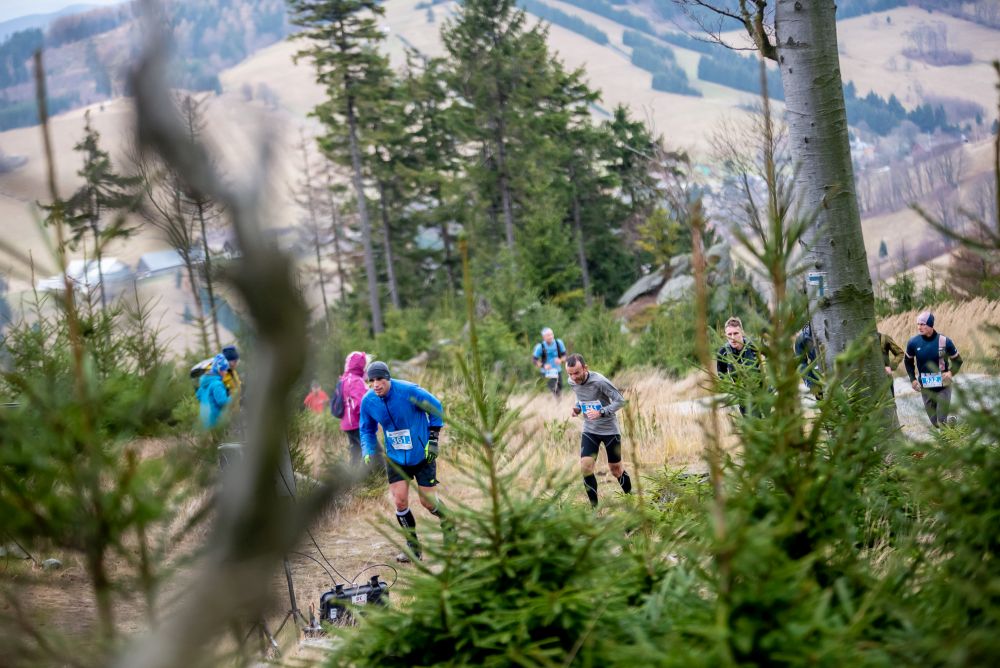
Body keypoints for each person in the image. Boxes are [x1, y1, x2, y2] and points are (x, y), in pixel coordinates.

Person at [359, 361, 450, 563]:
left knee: (428, 502)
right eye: (371, 381)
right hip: (395, 457)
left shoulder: (409, 391)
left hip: (422, 454)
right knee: (400, 501)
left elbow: (436, 407)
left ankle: (448, 523)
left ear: (388, 378)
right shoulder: (368, 401)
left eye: (379, 379)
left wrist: (433, 440)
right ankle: (413, 547)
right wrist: (368, 450)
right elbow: (366, 429)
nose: (375, 384)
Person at [566, 354, 631, 508]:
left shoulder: (600, 381)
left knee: (616, 470)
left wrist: (601, 412)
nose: (573, 377)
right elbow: (580, 397)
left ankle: (632, 500)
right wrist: (577, 408)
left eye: (577, 373)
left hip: (609, 430)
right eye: (570, 374)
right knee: (586, 467)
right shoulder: (572, 381)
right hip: (590, 430)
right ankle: (594, 509)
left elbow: (620, 401)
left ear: (585, 368)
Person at [904, 311, 963, 427]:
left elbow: (958, 361)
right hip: (926, 387)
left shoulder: (945, 341)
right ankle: (952, 424)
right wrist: (913, 379)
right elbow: (908, 361)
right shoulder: (913, 342)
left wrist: (951, 372)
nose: (919, 327)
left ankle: (949, 430)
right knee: (935, 423)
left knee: (941, 420)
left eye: (923, 324)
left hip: (943, 386)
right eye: (918, 324)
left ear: (930, 324)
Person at [716, 316, 764, 416]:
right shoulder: (723, 352)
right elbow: (722, 375)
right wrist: (733, 389)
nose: (733, 338)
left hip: (762, 390)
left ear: (742, 332)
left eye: (736, 333)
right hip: (743, 396)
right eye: (729, 334)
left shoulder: (754, 345)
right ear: (726, 335)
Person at [336, 351, 369, 467]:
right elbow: (360, 404)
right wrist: (369, 418)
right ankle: (375, 473)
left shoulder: (344, 379)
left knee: (356, 450)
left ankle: (353, 473)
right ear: (360, 365)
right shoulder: (356, 381)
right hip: (357, 422)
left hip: (347, 423)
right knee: (373, 450)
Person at [196, 353, 231, 429]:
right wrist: (233, 396)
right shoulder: (217, 384)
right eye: (225, 370)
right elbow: (223, 402)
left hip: (205, 423)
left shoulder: (203, 384)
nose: (226, 372)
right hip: (216, 423)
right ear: (219, 370)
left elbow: (198, 396)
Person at [532, 327, 567, 397]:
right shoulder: (540, 346)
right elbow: (534, 360)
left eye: (551, 334)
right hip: (547, 372)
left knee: (560, 388)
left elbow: (565, 356)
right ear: (544, 337)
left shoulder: (558, 343)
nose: (551, 336)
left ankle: (558, 402)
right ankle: (559, 403)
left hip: (557, 370)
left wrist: (560, 360)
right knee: (555, 390)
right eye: (548, 335)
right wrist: (543, 365)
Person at [794, 324, 822, 398]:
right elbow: (801, 364)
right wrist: (812, 385)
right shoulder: (802, 337)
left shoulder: (803, 336)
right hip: (821, 381)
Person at [879, 331, 904, 397]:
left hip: (886, 378)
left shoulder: (884, 338)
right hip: (867, 381)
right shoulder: (859, 340)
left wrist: (891, 366)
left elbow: (900, 353)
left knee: (890, 401)